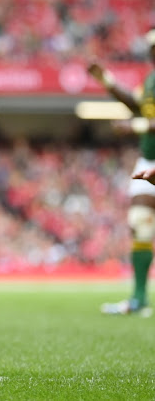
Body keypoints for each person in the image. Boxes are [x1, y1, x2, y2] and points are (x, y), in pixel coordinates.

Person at [87, 27, 155, 317]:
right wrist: (108, 82)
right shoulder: (150, 80)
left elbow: (144, 119)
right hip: (148, 159)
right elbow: (139, 106)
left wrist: (136, 126)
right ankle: (139, 298)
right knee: (140, 223)